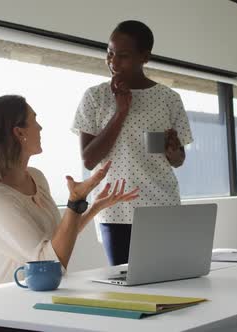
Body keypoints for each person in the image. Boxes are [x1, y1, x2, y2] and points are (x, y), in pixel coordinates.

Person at [0, 95, 139, 285]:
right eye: (34, 120)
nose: (40, 128)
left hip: (50, 293)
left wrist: (93, 207)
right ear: (19, 133)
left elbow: (57, 237)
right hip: (17, 301)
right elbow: (48, 265)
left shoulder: (36, 177)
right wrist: (74, 203)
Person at [72, 20, 193, 265]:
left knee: (167, 282)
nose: (113, 63)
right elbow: (89, 159)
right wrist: (120, 113)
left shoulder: (169, 99)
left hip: (161, 207)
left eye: (123, 56)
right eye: (109, 53)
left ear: (144, 57)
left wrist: (173, 152)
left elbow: (178, 160)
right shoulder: (95, 97)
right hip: (114, 210)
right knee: (125, 286)